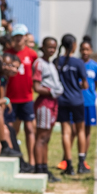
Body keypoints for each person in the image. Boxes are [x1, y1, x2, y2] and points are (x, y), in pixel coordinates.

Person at [54, 34, 89, 175]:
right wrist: (77, 85)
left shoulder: (56, 62)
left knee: (66, 132)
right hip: (77, 100)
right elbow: (85, 84)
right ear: (74, 45)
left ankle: (68, 164)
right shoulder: (78, 63)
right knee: (80, 130)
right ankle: (81, 162)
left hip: (62, 100)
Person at [4, 24, 38, 167]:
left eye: (21, 36)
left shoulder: (32, 54)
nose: (18, 39)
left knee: (30, 128)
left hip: (27, 97)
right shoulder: (7, 54)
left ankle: (32, 160)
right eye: (16, 36)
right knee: (12, 129)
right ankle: (14, 158)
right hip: (11, 98)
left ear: (25, 37)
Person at [32, 37, 64, 182]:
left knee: (47, 137)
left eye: (54, 48)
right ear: (43, 47)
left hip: (53, 103)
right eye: (49, 47)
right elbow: (37, 87)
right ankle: (39, 168)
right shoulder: (39, 64)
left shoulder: (50, 64)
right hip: (44, 103)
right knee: (41, 137)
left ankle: (45, 168)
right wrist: (51, 91)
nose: (51, 50)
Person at [80, 36, 97, 148]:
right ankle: (67, 157)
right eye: (83, 49)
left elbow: (96, 84)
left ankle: (84, 156)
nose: (85, 52)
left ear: (91, 50)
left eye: (87, 49)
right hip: (77, 102)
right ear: (79, 50)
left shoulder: (95, 67)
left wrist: (91, 94)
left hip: (89, 102)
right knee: (75, 130)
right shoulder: (77, 64)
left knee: (87, 130)